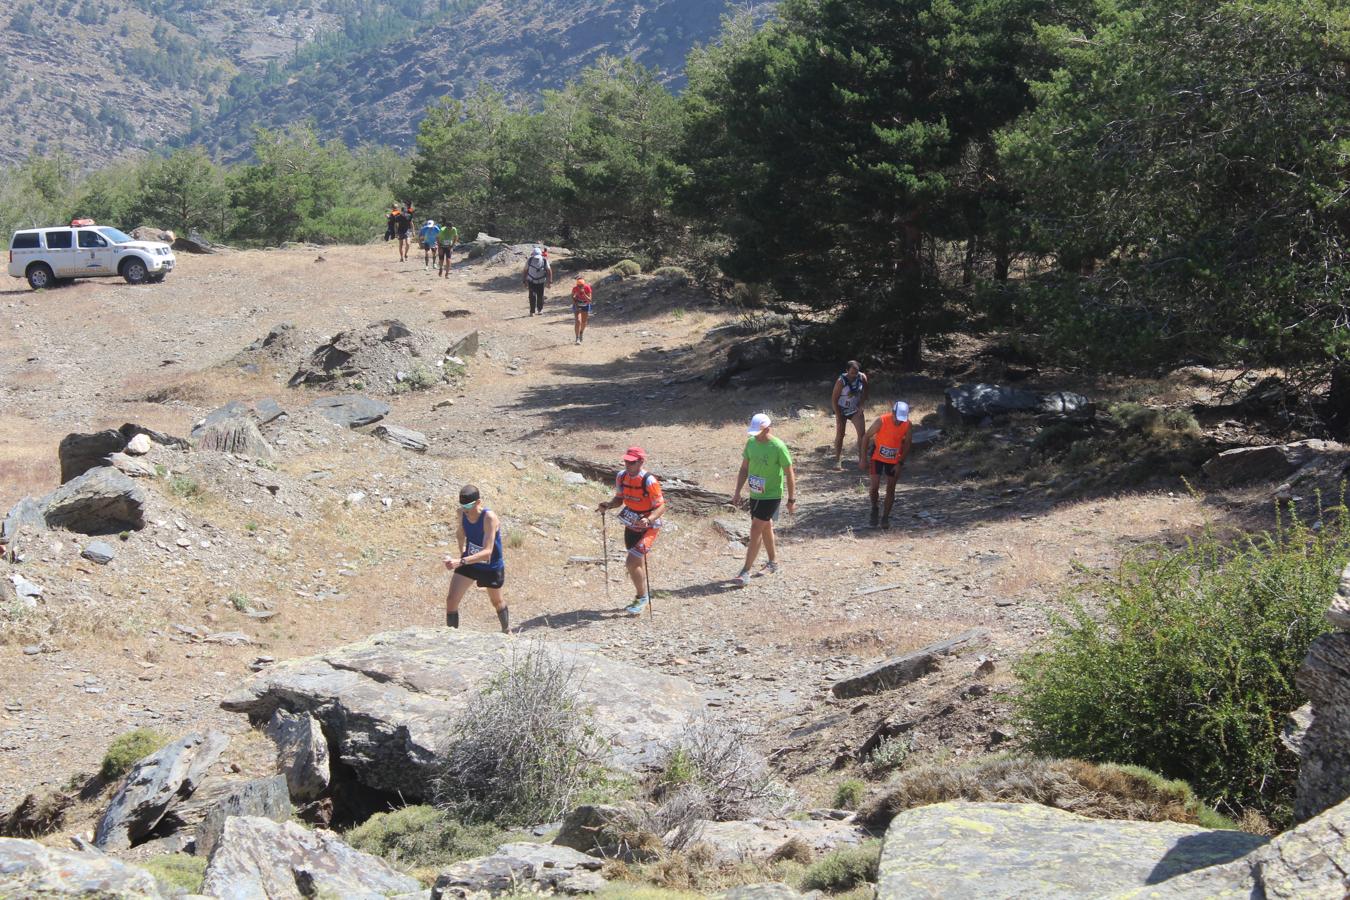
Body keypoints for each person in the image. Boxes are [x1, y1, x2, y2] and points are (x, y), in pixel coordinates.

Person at [596, 446, 665, 615]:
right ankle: (643, 596)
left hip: (649, 526)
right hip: (631, 522)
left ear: (641, 462)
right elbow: (620, 499)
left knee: (631, 561)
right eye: (626, 461)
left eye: (632, 462)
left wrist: (648, 519)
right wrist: (609, 505)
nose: (628, 464)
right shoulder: (621, 477)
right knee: (637, 562)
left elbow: (661, 506)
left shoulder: (649, 481)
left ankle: (641, 598)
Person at [731, 413, 797, 586]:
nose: (756, 436)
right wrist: (737, 491)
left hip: (772, 495)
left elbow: (789, 473)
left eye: (759, 432)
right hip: (755, 494)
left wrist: (791, 499)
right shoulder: (751, 443)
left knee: (755, 529)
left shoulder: (778, 446)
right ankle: (773, 563)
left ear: (767, 428)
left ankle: (745, 571)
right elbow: (744, 469)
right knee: (766, 526)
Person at [443, 484, 511, 633]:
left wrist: (460, 561)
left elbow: (487, 552)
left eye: (468, 505)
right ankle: (451, 638)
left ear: (478, 502)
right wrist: (462, 552)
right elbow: (460, 532)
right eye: (462, 505)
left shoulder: (489, 518)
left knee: (497, 602)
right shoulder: (461, 513)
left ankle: (507, 631)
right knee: (451, 600)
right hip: (470, 562)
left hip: (490, 566)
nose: (465, 509)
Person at [860, 401, 912, 528]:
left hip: (894, 460)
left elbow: (907, 444)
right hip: (877, 457)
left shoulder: (907, 424)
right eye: (897, 418)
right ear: (893, 412)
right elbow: (866, 437)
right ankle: (875, 508)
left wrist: (900, 463)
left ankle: (885, 517)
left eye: (902, 419)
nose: (899, 422)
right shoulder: (882, 421)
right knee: (874, 487)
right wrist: (863, 458)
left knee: (891, 489)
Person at [831, 360, 869, 469]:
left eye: (856, 373)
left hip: (855, 408)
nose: (854, 375)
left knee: (862, 434)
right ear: (847, 371)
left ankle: (862, 460)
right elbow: (834, 400)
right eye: (851, 373)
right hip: (841, 409)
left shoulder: (862, 377)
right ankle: (837, 460)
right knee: (840, 434)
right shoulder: (840, 381)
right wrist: (838, 415)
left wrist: (861, 405)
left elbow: (865, 391)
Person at [523, 246, 551, 315]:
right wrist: (524, 281)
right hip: (531, 281)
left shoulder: (544, 260)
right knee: (532, 296)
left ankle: (540, 310)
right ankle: (532, 311)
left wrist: (549, 282)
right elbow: (525, 270)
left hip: (541, 282)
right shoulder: (529, 260)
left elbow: (549, 271)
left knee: (540, 296)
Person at [571, 276, 593, 344]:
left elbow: (589, 300)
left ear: (584, 284)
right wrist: (575, 301)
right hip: (577, 305)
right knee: (578, 321)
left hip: (585, 305)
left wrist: (584, 294)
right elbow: (573, 298)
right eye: (579, 285)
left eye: (582, 285)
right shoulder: (574, 289)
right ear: (577, 285)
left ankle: (581, 333)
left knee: (584, 322)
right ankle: (577, 338)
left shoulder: (587, 288)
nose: (580, 287)